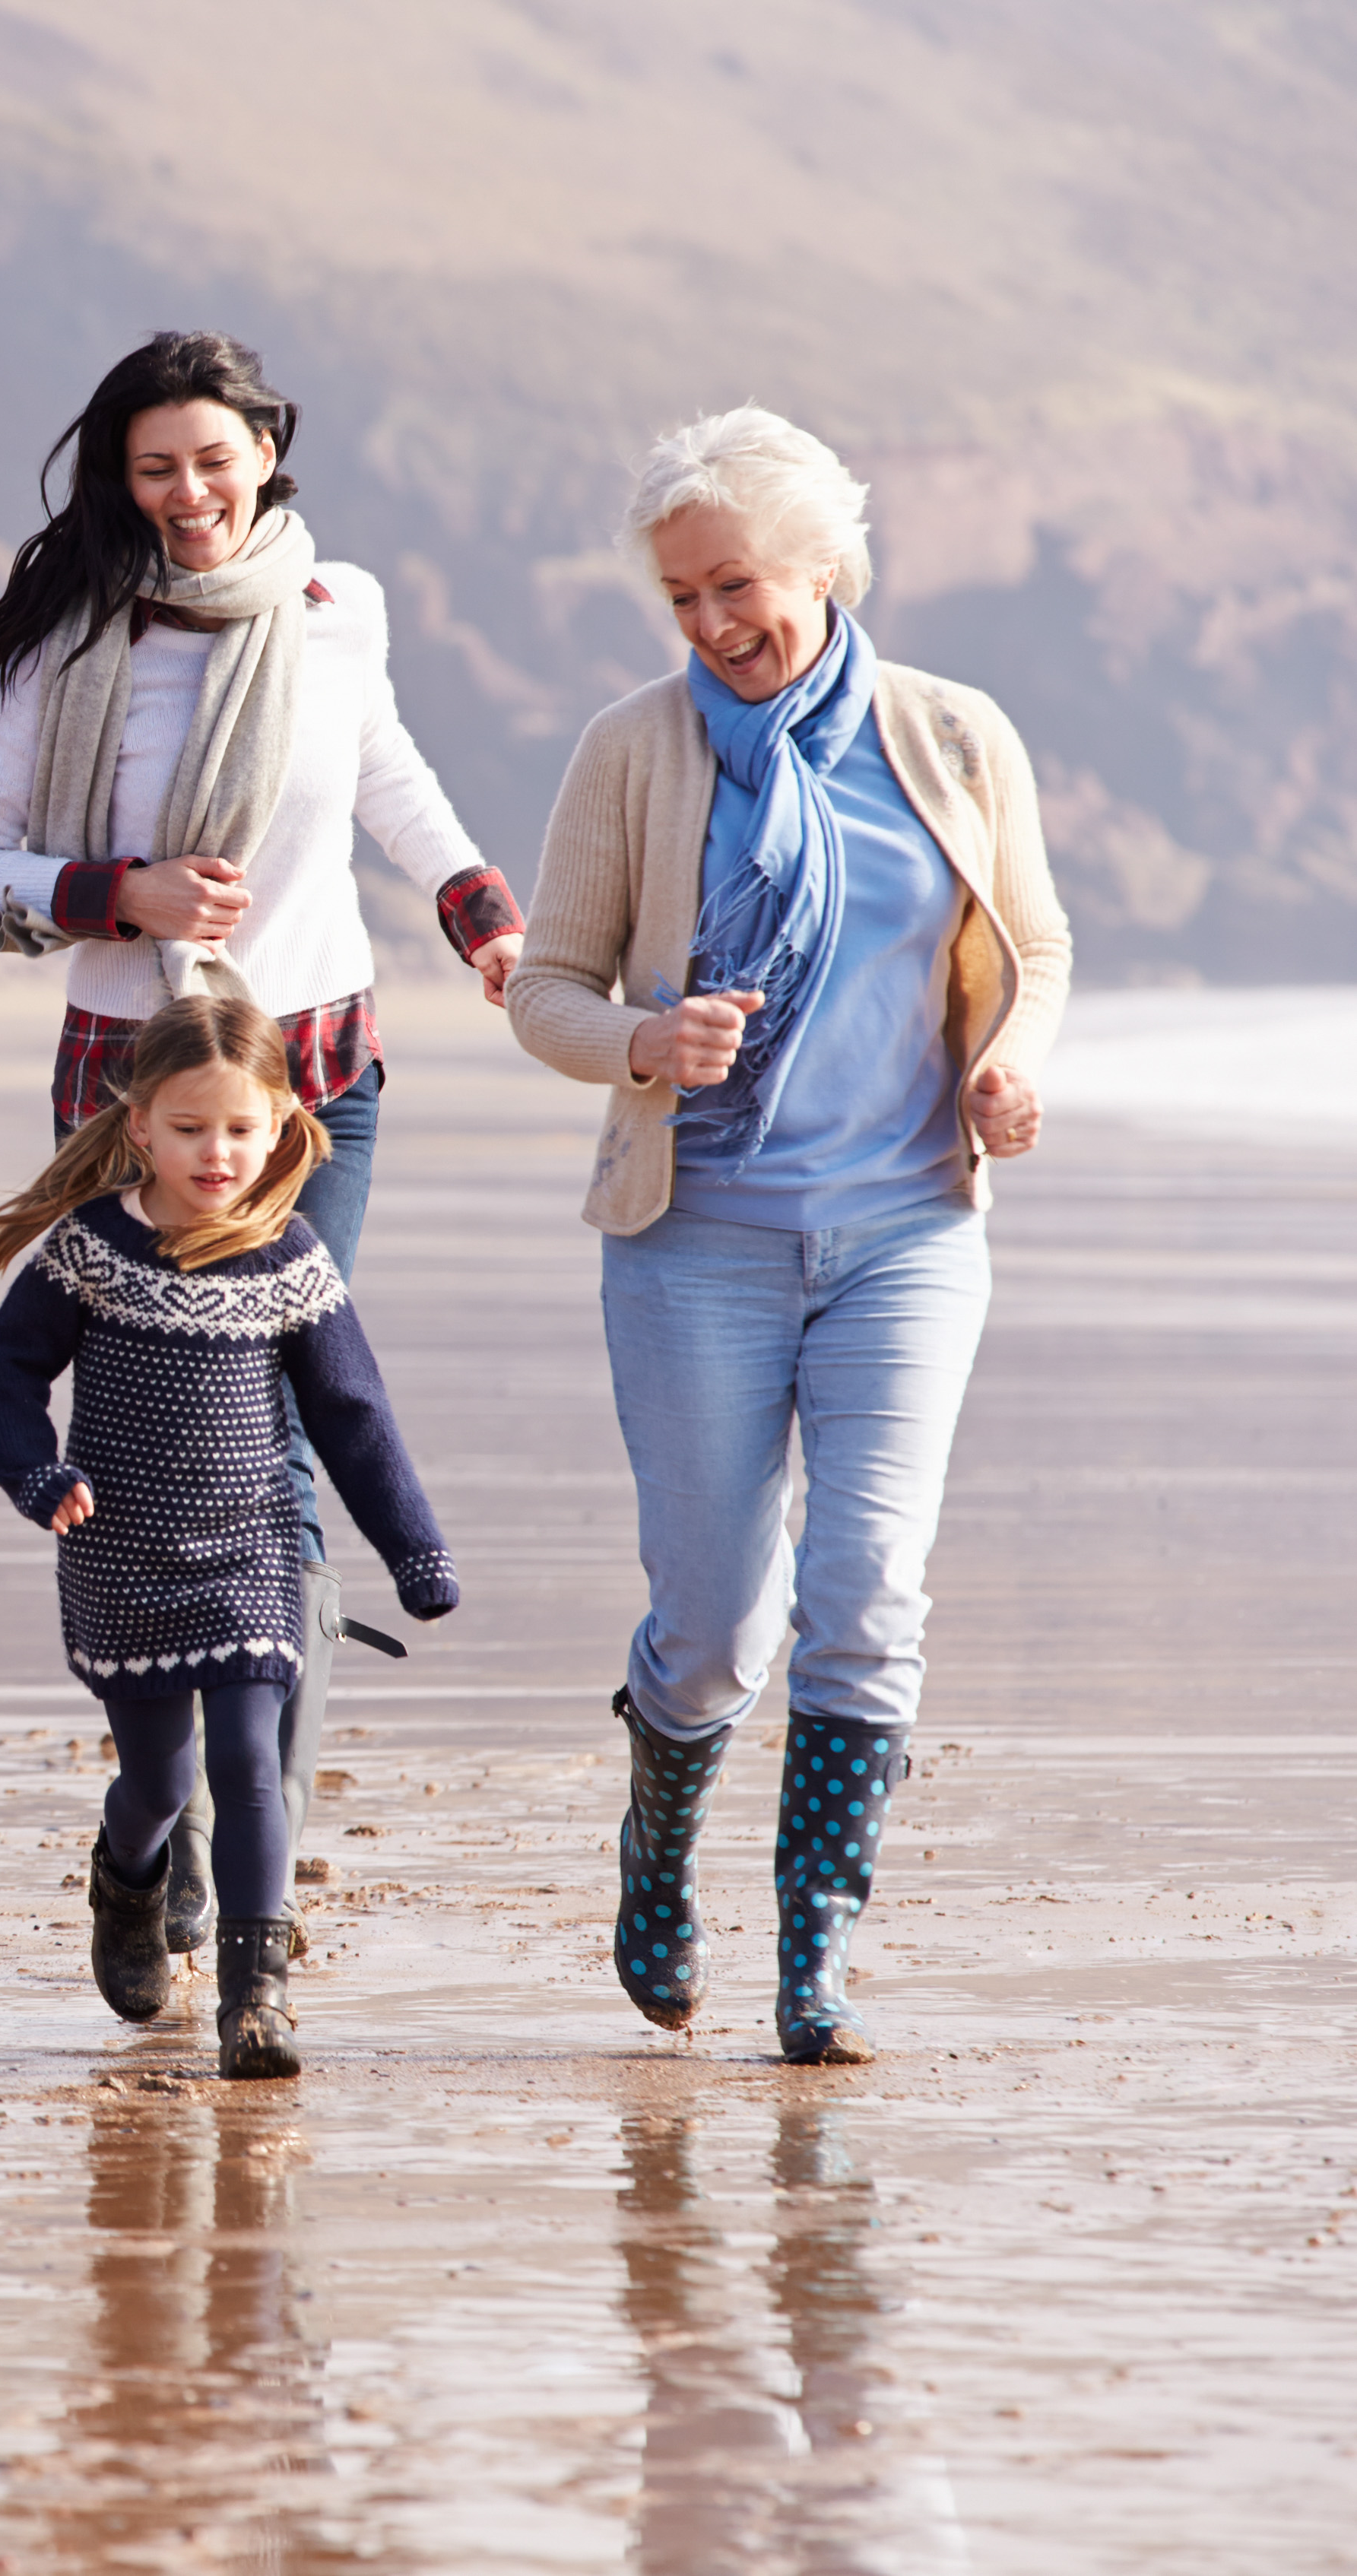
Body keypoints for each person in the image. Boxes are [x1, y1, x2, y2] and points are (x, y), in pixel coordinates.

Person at [0, 331, 520, 1958]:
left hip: (318, 1061)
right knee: (146, 1431)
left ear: (267, 448)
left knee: (293, 1424)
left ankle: (249, 1836)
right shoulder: (66, 641)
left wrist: (476, 908)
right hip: (134, 1072)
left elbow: (381, 764)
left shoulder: (340, 610)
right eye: (150, 468)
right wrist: (116, 891)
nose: (185, 496)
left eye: (210, 458)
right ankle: (157, 1808)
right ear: (119, 480)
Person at [507, 406, 1070, 2066]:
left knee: (865, 1593)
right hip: (694, 1237)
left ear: (818, 565)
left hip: (906, 1231)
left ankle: (810, 1960)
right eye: (678, 599)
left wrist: (1008, 1064)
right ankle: (656, 1835)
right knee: (709, 1620)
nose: (707, 626)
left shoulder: (953, 737)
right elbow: (546, 984)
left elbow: (1031, 947)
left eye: (732, 585)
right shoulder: (629, 750)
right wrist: (638, 1040)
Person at [0, 995, 456, 2072]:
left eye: (240, 1128)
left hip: (251, 1553)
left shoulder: (291, 1257)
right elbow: (8, 1372)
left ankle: (256, 2001)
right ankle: (124, 1880)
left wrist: (413, 1547)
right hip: (122, 1557)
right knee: (160, 1782)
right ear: (139, 1124)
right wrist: (35, 1473)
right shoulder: (95, 1247)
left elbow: (351, 1413)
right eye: (190, 1129)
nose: (216, 1152)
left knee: (247, 1765)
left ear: (283, 1121)